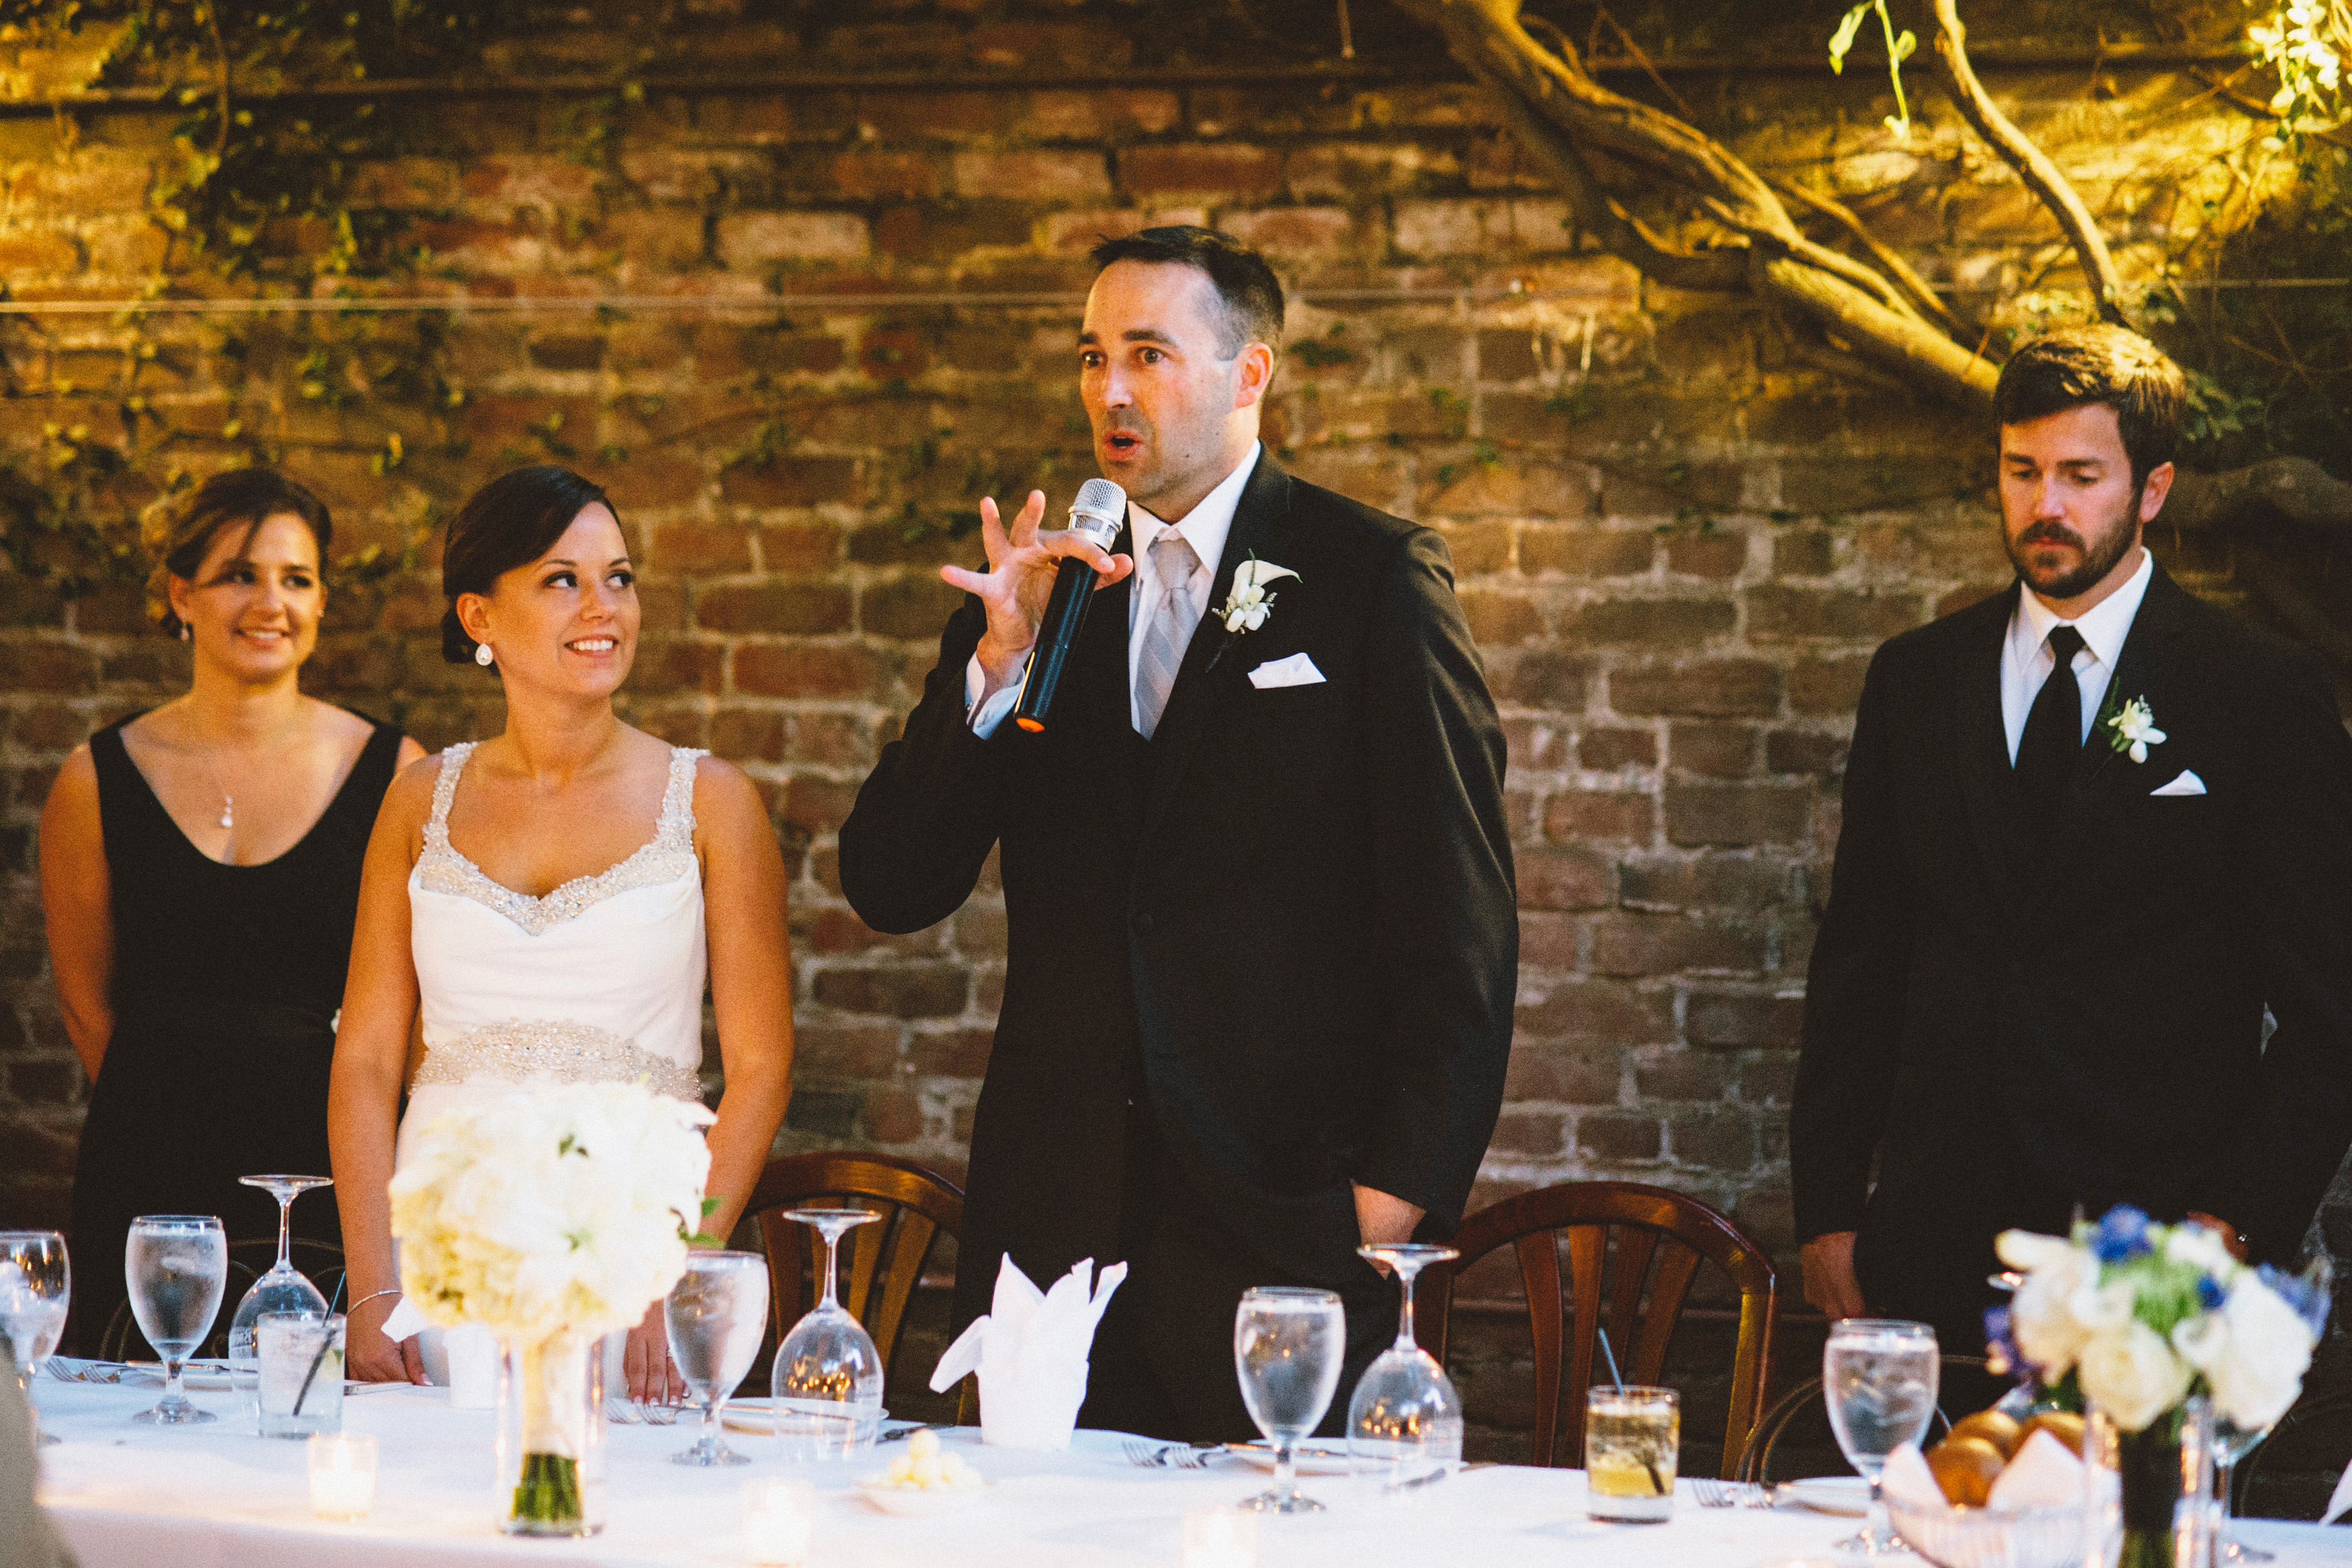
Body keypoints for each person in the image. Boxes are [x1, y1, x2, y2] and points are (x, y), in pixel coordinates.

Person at [838, 227, 1517, 1442]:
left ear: (1249, 374)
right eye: (1091, 356)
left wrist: (1384, 1208)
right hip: (1053, 1247)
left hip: (1284, 1233)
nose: (1108, 389)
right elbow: (890, 882)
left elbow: (1456, 927)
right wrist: (989, 674)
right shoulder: (1041, 600)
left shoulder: (1368, 580)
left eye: (1147, 354)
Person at [1792, 325, 2352, 1363]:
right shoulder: (1913, 680)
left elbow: (2332, 1012)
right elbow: (1860, 958)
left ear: (2152, 489)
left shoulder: (2255, 694)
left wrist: (2224, 1228)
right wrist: (1825, 1211)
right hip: (1927, 1254)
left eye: (2080, 474)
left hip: (2147, 1272)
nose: (2045, 503)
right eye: (2021, 470)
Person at [328, 465, 794, 1398]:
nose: (604, 606)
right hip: (441, 1250)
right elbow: (369, 1059)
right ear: (479, 618)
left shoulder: (711, 801)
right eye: (561, 579)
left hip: (631, 1258)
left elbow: (763, 1067)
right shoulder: (418, 801)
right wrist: (375, 1279)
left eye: (619, 577)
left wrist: (680, 1263)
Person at [40, 468, 422, 1359]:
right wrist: (168, 1102)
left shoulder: (396, 771)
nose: (271, 602)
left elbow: (413, 1004)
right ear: (182, 595)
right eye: (239, 575)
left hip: (321, 1163)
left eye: (297, 578)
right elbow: (83, 1002)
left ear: (322, 599)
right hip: (148, 1158)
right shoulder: (94, 779)